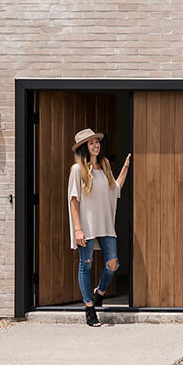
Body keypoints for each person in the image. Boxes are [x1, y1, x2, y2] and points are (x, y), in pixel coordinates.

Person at [68, 128, 131, 327]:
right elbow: (73, 200)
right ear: (84, 148)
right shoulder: (77, 170)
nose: (96, 145)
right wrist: (78, 229)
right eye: (91, 143)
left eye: (97, 142)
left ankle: (100, 293)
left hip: (105, 224)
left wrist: (126, 167)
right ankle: (89, 309)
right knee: (86, 264)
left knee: (112, 263)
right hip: (86, 225)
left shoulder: (104, 166)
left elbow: (115, 189)